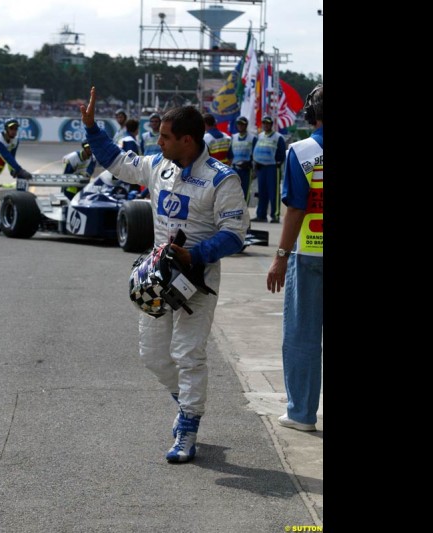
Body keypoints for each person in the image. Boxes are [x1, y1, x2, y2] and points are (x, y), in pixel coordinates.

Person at [80, 86, 249, 463]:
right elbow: (118, 162)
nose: (158, 141)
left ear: (186, 140)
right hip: (157, 275)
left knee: (188, 354)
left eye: (164, 136)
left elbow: (235, 234)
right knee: (154, 356)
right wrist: (92, 128)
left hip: (198, 280)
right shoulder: (160, 164)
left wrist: (195, 254)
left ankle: (188, 426)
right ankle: (184, 404)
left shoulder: (223, 179)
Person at [265, 84, 323, 432]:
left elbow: (296, 210)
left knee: (302, 335)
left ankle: (301, 413)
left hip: (309, 254)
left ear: (311, 114)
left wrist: (280, 257)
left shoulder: (301, 151)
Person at [251, 116, 287, 223]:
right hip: (261, 167)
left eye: (268, 123)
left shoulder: (278, 137)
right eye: (264, 123)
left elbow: (281, 152)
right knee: (262, 193)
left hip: (272, 168)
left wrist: (277, 163)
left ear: (271, 124)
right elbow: (255, 150)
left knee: (273, 192)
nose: (266, 125)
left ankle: (275, 215)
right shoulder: (259, 136)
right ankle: (261, 215)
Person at [230, 116, 257, 202]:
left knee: (245, 191)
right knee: (234, 192)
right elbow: (230, 154)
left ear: (246, 125)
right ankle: (236, 213)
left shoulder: (252, 138)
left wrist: (254, 169)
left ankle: (244, 213)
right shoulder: (233, 137)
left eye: (242, 124)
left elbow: (255, 155)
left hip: (246, 169)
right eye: (239, 124)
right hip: (235, 169)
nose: (240, 126)